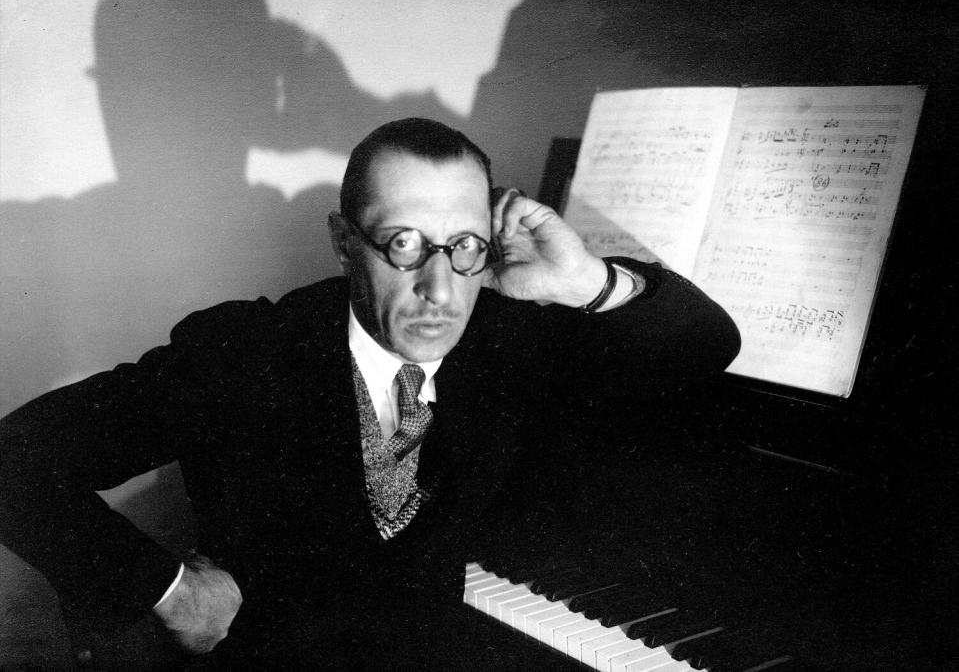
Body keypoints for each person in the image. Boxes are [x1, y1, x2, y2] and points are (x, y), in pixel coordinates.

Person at [0, 118, 740, 668]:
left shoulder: (502, 334)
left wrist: (585, 281)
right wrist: (172, 591)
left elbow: (705, 345)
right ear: (344, 239)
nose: (439, 290)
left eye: (463, 245)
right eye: (403, 243)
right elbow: (10, 461)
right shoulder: (240, 353)